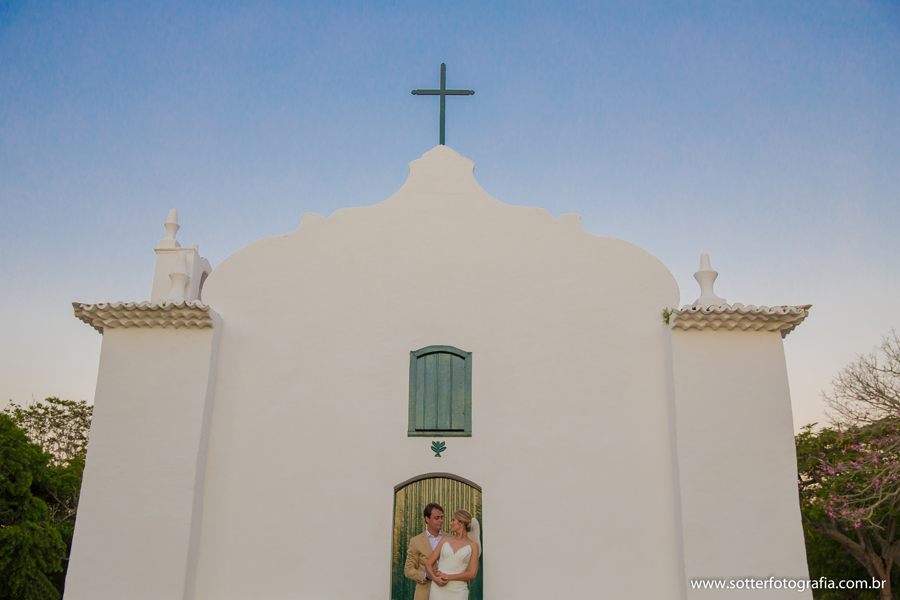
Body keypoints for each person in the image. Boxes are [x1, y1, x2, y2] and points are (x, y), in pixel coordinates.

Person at [425, 510, 481, 600]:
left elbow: (472, 574)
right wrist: (435, 579)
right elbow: (428, 564)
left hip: (458, 590)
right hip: (438, 588)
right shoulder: (444, 540)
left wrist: (448, 577)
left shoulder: (473, 545)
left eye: (453, 520)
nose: (450, 523)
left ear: (461, 523)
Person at [404, 503, 447, 600]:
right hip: (424, 593)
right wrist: (427, 576)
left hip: (447, 590)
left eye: (442, 517)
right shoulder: (416, 541)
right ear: (427, 519)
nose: (441, 521)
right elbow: (408, 570)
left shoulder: (450, 539)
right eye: (437, 518)